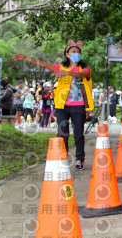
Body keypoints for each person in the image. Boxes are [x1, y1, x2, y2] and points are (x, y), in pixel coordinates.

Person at [14, 40, 94, 170]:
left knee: (79, 134)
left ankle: (80, 159)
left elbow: (80, 75)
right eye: (74, 52)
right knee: (62, 134)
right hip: (61, 106)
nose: (76, 54)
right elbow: (43, 64)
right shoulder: (59, 67)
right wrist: (26, 58)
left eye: (78, 52)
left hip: (79, 106)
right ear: (67, 54)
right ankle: (63, 159)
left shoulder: (84, 69)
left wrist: (67, 73)